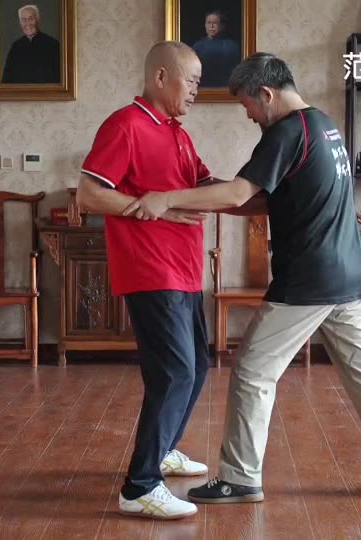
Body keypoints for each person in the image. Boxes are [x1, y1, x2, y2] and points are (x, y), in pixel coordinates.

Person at [122, 52, 361, 504]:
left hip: (309, 280)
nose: (248, 115)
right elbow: (262, 200)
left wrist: (167, 198)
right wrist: (200, 196)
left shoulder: (286, 131)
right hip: (349, 274)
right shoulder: (323, 126)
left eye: (247, 104)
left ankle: (240, 478)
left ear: (266, 94)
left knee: (251, 371)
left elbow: (238, 193)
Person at [75, 41, 224, 520]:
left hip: (185, 269)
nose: (197, 90)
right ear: (161, 77)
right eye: (191, 80)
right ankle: (140, 486)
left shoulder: (178, 133)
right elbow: (88, 195)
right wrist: (149, 208)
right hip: (150, 268)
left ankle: (163, 450)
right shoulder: (126, 125)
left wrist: (259, 188)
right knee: (174, 373)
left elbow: (204, 188)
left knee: (196, 367)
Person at [1, 4, 60, 84]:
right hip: (20, 92)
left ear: (38, 19)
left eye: (31, 19)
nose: (28, 23)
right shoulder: (16, 46)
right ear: (20, 23)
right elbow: (6, 79)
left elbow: (58, 79)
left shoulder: (53, 44)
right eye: (24, 20)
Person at [191, 10, 240, 87]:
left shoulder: (232, 46)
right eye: (208, 23)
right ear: (205, 25)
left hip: (225, 87)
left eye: (215, 23)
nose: (211, 26)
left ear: (222, 26)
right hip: (203, 87)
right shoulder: (198, 46)